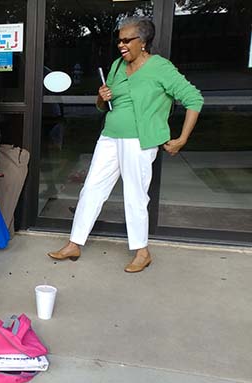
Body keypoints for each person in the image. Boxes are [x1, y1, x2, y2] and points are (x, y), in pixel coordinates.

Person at [47, 17, 202, 273]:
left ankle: (142, 252)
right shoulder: (117, 66)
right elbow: (103, 106)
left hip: (139, 140)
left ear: (143, 42)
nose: (121, 44)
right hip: (110, 135)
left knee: (135, 194)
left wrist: (182, 138)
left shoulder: (160, 67)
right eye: (119, 40)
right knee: (92, 187)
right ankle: (74, 243)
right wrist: (101, 96)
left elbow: (194, 99)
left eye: (127, 40)